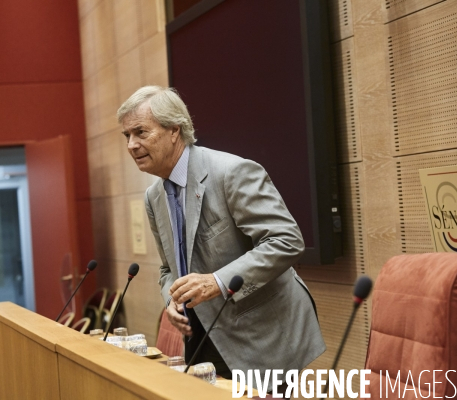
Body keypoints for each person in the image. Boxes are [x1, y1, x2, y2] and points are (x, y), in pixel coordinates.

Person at [117, 86, 325, 386]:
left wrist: (216, 281)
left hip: (261, 335)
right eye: (127, 136)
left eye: (140, 132)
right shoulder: (154, 197)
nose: (132, 145)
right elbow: (168, 270)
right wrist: (171, 300)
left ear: (174, 130)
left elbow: (286, 240)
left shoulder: (231, 172)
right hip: (201, 337)